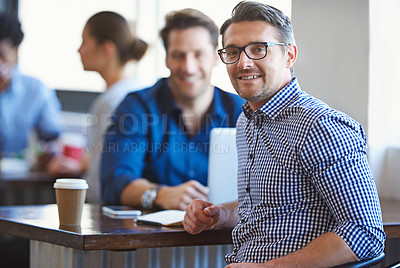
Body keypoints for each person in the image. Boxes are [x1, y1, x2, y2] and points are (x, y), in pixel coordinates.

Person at [183, 1, 385, 267]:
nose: (243, 63)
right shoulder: (246, 120)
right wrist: (219, 214)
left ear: (289, 55)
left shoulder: (322, 126)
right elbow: (266, 210)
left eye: (258, 49)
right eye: (233, 52)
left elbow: (365, 234)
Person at [100, 8, 244, 210]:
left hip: (223, 237)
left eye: (198, 54)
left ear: (215, 57)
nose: (189, 67)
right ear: (167, 59)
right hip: (150, 237)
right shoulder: (137, 107)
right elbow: (114, 182)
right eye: (178, 55)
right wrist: (160, 194)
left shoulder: (241, 112)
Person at [77, 11, 149, 203]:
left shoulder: (113, 101)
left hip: (104, 207)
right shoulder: (137, 93)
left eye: (84, 42)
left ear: (107, 49)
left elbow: (101, 176)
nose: (79, 50)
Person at [0, 13, 61, 164]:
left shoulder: (36, 90)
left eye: (1, 56)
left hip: (16, 180)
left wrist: (44, 154)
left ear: (16, 52)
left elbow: (53, 139)